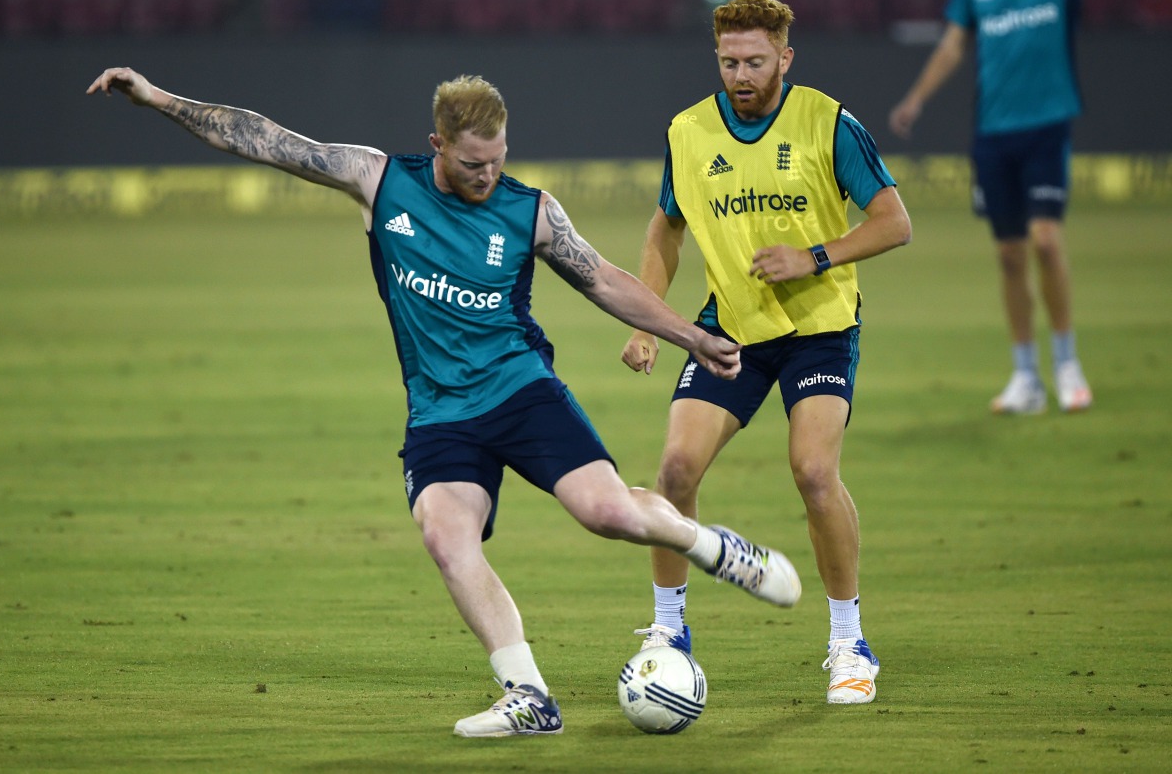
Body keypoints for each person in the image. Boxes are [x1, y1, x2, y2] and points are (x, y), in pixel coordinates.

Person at [87, 67, 803, 737]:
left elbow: (604, 280)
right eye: (470, 164)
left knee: (608, 513)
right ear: (437, 145)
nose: (487, 174)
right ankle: (529, 694)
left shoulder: (531, 211)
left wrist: (690, 337)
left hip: (522, 393)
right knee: (444, 535)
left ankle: (714, 547)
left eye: (496, 159)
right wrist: (158, 99)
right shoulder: (379, 181)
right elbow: (269, 140)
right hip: (439, 412)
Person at [620, 0, 911, 706]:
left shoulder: (828, 123)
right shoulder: (687, 132)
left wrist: (813, 256)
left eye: (754, 60)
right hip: (731, 330)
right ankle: (667, 632)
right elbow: (666, 229)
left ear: (785, 56)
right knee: (675, 468)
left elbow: (894, 222)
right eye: (728, 62)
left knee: (813, 471)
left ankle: (849, 642)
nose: (741, 74)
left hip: (819, 326)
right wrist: (647, 320)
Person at [889, 0, 1092, 415]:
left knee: (1046, 241)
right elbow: (952, 46)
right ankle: (1026, 377)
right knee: (1009, 255)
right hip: (993, 135)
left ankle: (1067, 363)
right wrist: (915, 99)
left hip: (1046, 127)